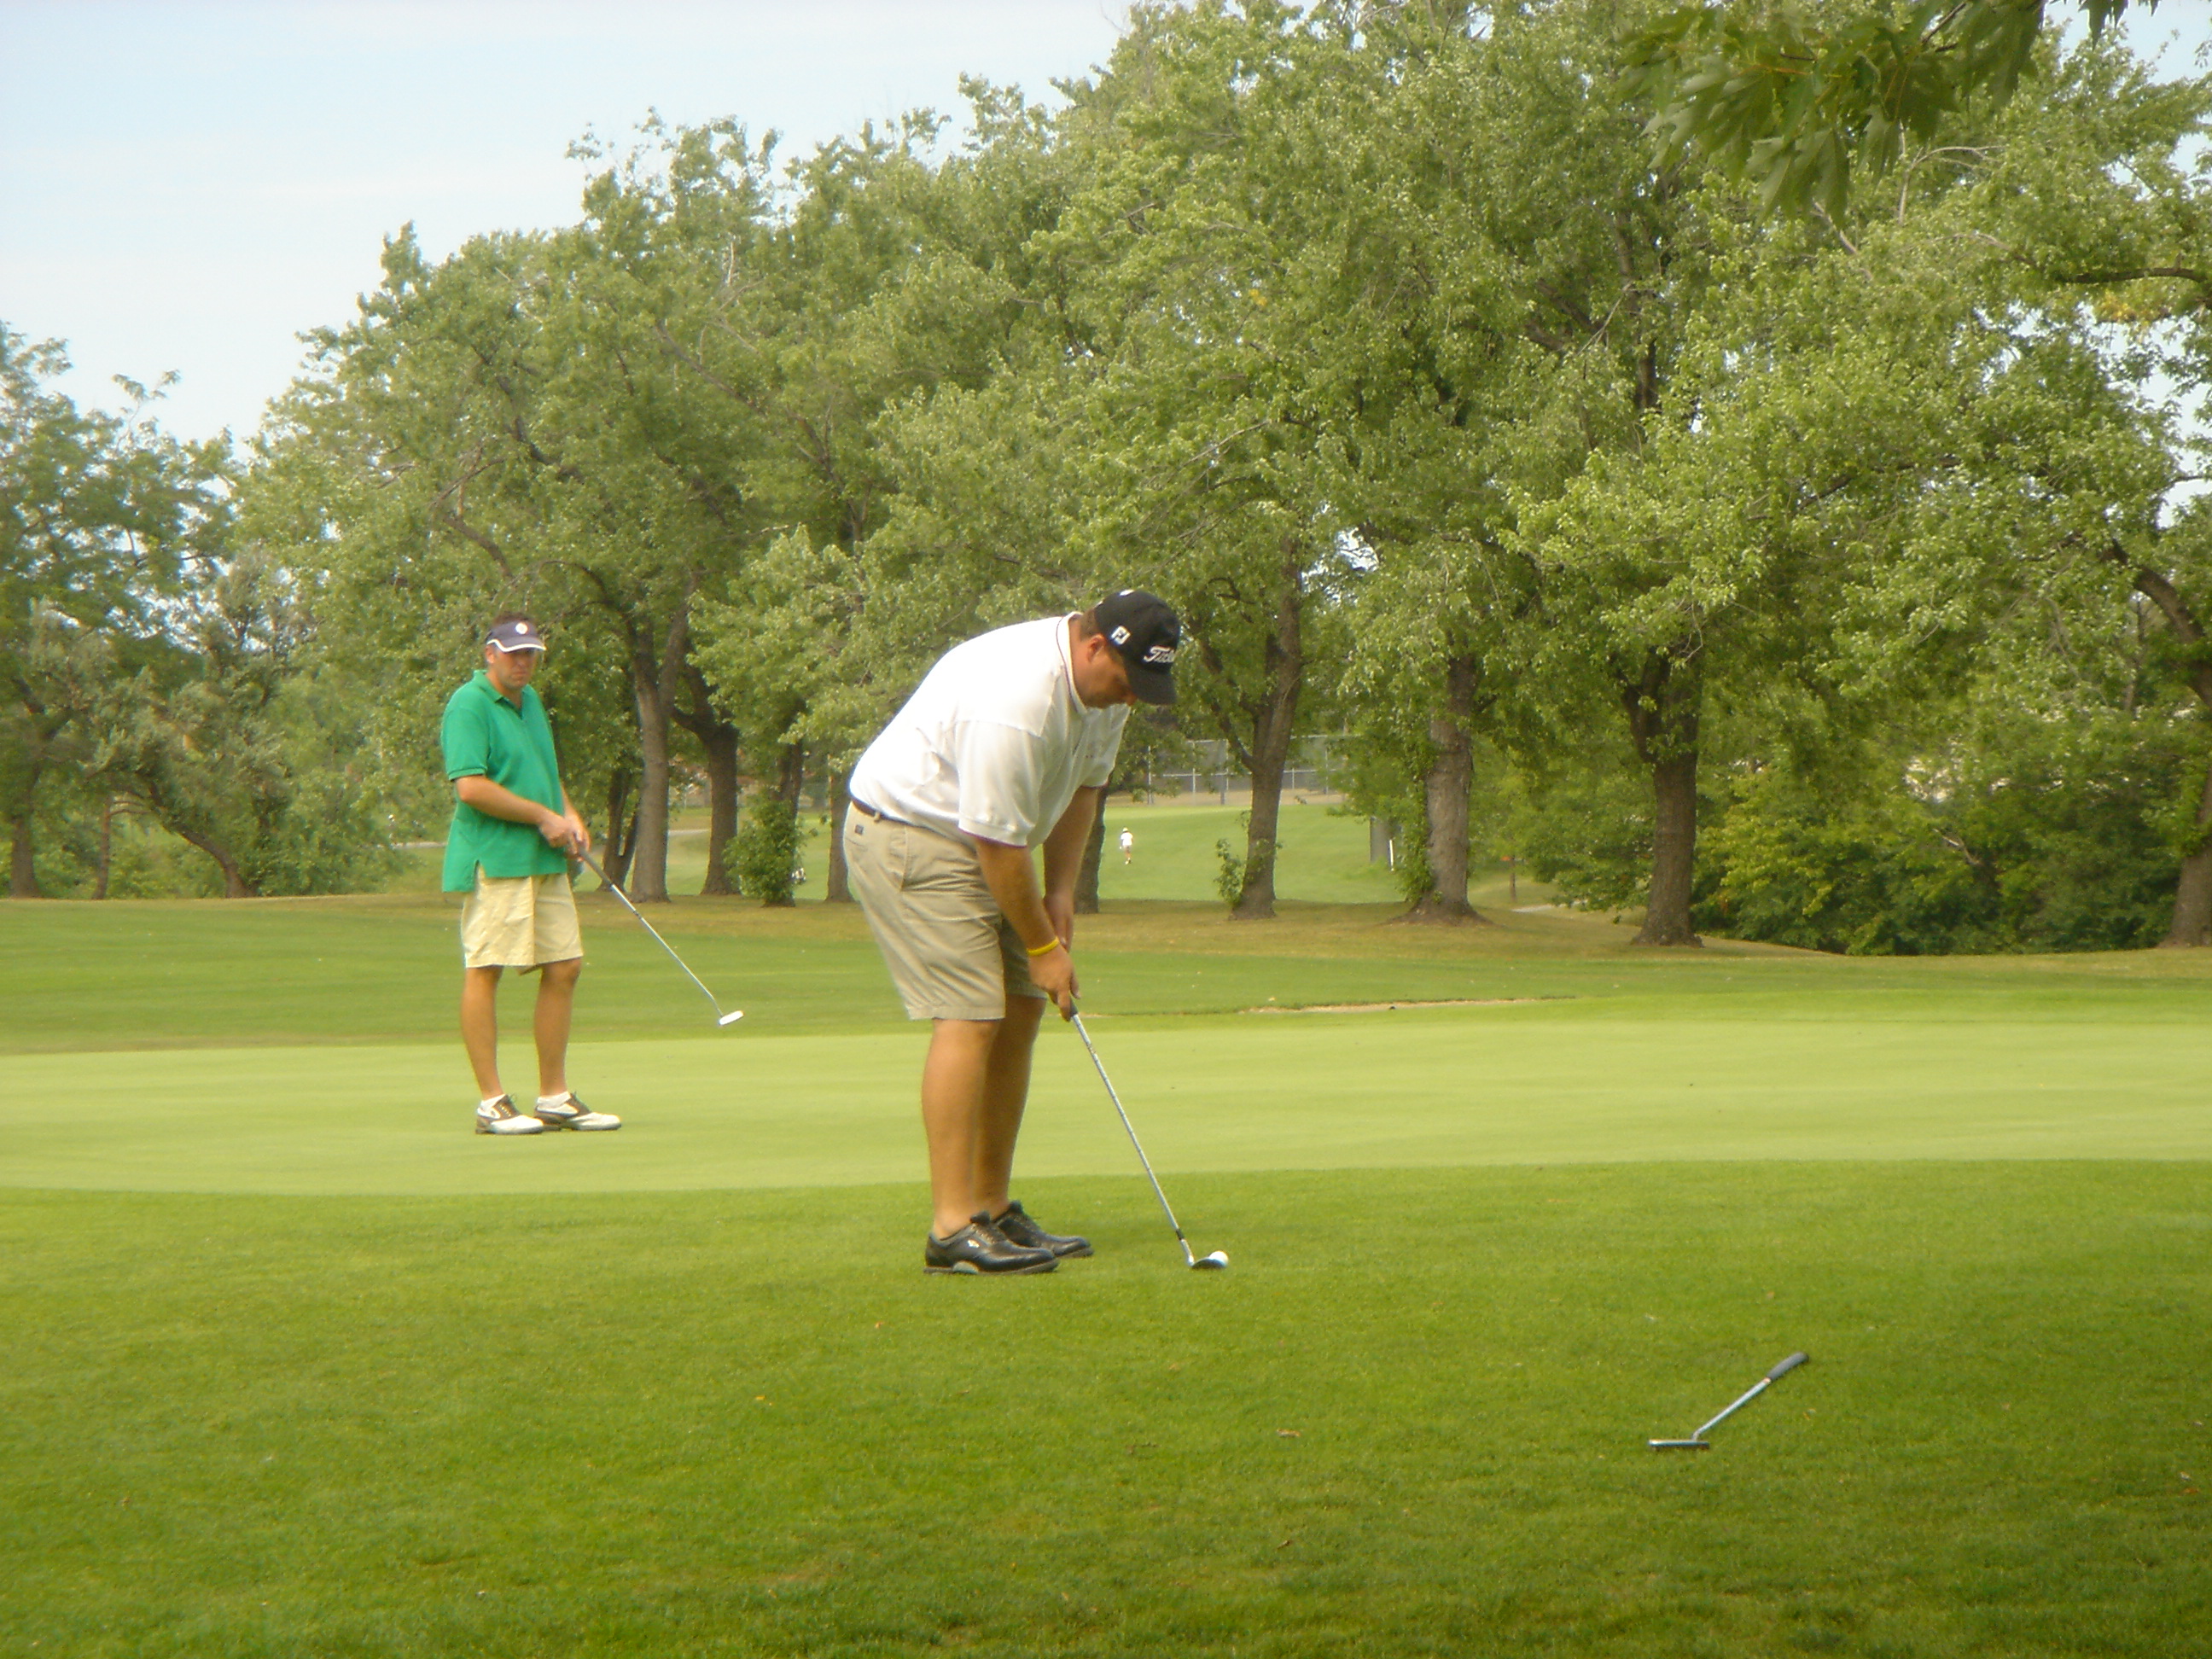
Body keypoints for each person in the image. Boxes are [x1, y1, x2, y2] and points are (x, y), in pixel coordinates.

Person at [844, 590, 1180, 1273]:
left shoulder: (1104, 697)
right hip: (912, 834)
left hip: (987, 840)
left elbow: (1084, 790)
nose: (1133, 699)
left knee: (1023, 1007)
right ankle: (950, 1228)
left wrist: (1060, 895)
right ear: (1094, 648)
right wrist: (1041, 947)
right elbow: (997, 845)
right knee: (970, 1014)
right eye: (1127, 681)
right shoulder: (1019, 701)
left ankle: (991, 1208)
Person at [440, 614, 621, 1137]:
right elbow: (470, 787)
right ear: (489, 653)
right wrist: (543, 817)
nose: (523, 663)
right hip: (498, 858)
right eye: (513, 653)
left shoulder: (533, 702)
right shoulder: (469, 705)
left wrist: (568, 814)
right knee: (487, 968)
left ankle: (555, 1096)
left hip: (543, 858)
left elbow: (544, 773)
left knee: (565, 965)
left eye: (530, 654)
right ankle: (492, 1102)